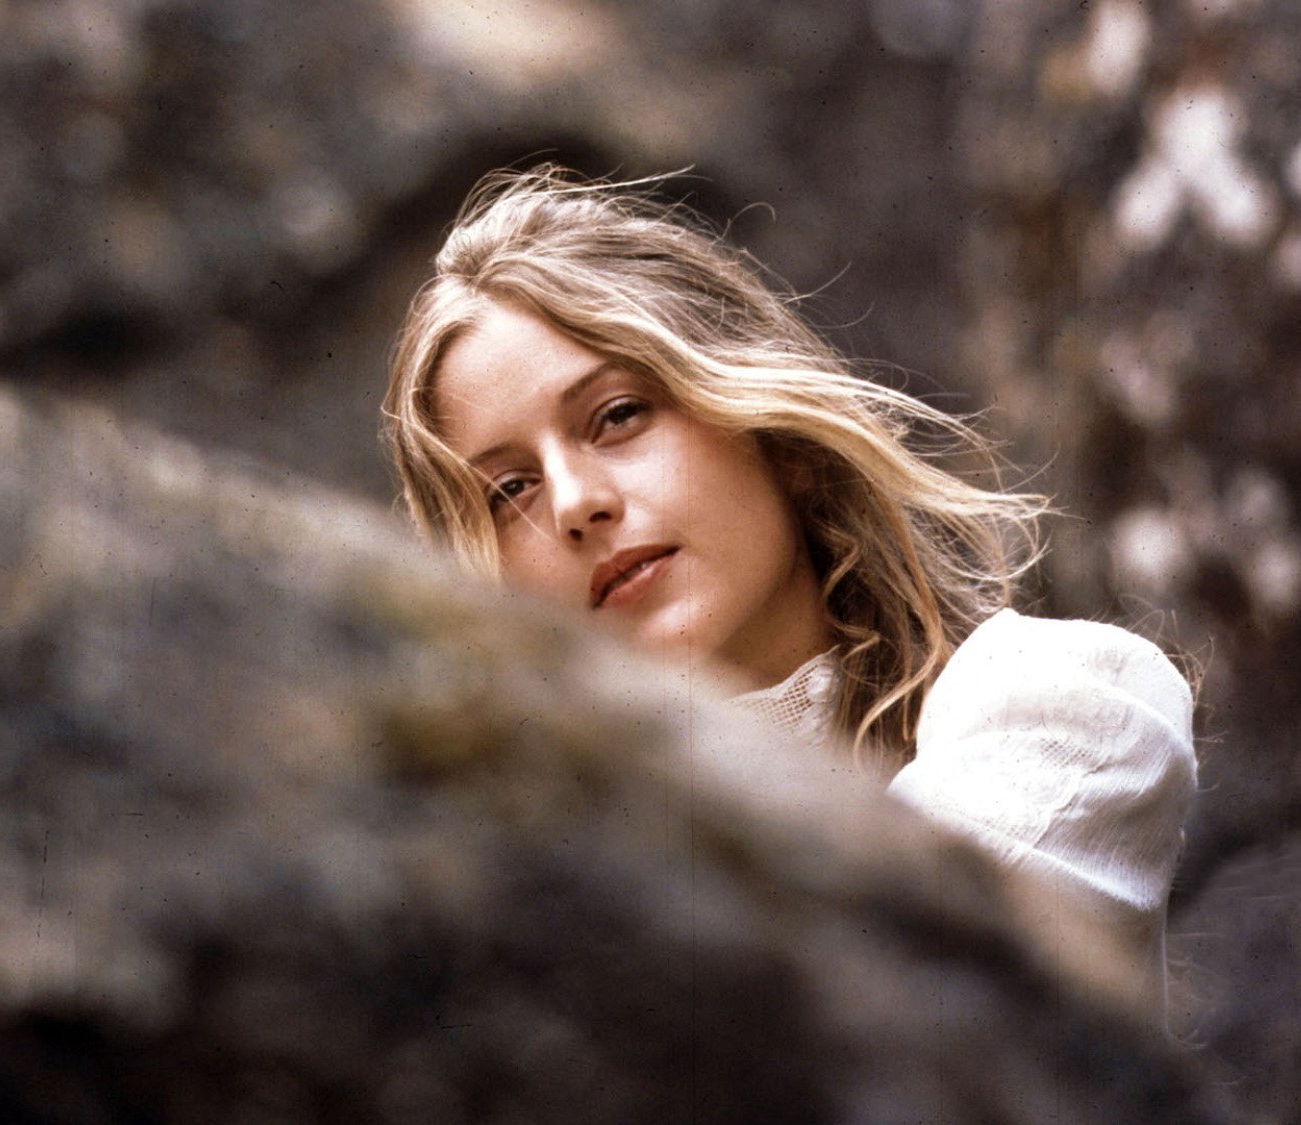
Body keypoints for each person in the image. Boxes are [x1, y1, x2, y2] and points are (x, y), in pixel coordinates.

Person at [381, 165, 1197, 1022]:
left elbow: (876, 1021)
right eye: (510, 492)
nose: (578, 502)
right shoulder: (520, 890)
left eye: (618, 414)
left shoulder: (1063, 707)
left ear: (777, 437)